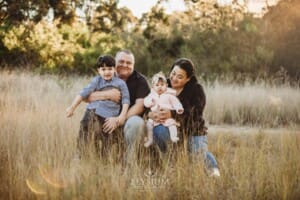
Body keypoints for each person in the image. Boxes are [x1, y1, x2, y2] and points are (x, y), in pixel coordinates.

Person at [149, 58, 220, 177]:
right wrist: (152, 113)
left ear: (188, 79)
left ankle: (213, 171)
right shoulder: (162, 85)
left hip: (193, 131)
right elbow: (150, 102)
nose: (174, 78)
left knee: (197, 156)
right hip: (171, 129)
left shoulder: (196, 90)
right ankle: (170, 160)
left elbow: (195, 113)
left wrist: (172, 114)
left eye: (180, 77)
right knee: (157, 130)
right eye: (173, 73)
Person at [86, 49, 150, 163]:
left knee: (136, 122)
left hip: (127, 121)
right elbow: (86, 97)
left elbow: (140, 106)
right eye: (121, 61)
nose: (125, 65)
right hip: (105, 119)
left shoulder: (140, 80)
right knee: (90, 117)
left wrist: (118, 119)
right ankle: (94, 160)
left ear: (133, 65)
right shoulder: (105, 75)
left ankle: (129, 162)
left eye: (129, 63)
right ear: (114, 62)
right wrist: (107, 94)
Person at [66, 55, 130, 158]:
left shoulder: (120, 83)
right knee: (85, 128)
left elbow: (126, 100)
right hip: (92, 110)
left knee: (106, 136)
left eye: (109, 69)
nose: (106, 72)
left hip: (109, 114)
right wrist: (72, 107)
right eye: (103, 69)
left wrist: (122, 116)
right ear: (98, 70)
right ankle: (79, 154)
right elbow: (84, 93)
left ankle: (104, 159)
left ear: (114, 69)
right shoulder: (96, 81)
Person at [144, 72, 183, 147]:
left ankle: (173, 137)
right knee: (149, 125)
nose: (160, 87)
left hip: (167, 118)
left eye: (162, 85)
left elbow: (176, 102)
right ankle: (150, 139)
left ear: (166, 86)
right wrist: (150, 102)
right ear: (153, 87)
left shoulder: (169, 95)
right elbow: (146, 102)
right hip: (154, 118)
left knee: (172, 125)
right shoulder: (152, 96)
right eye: (157, 85)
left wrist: (179, 109)